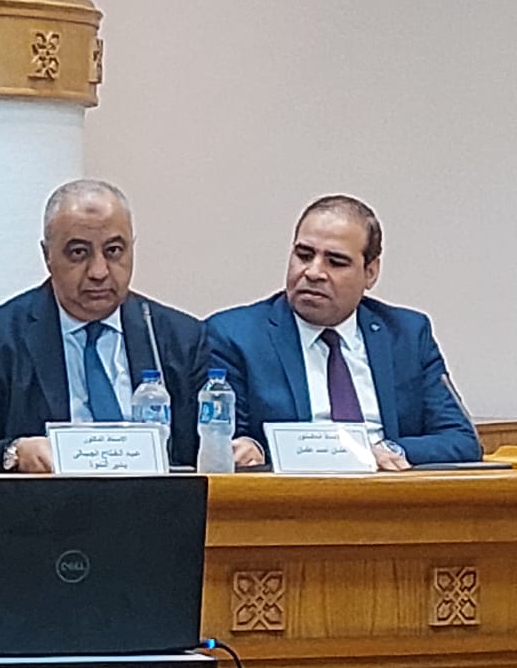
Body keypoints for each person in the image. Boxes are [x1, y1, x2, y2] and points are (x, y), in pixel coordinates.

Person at [0, 179, 210, 472]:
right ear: (47, 256)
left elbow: (206, 451)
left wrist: (232, 450)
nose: (99, 272)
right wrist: (13, 452)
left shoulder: (179, 337)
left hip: (158, 500)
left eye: (114, 251)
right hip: (43, 500)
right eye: (79, 252)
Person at [205, 194, 480, 470]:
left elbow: (461, 439)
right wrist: (255, 450)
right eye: (304, 255)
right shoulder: (235, 336)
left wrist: (390, 451)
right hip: (292, 491)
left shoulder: (406, 334)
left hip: (390, 487)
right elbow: (224, 440)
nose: (313, 272)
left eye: (335, 262)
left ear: (370, 272)